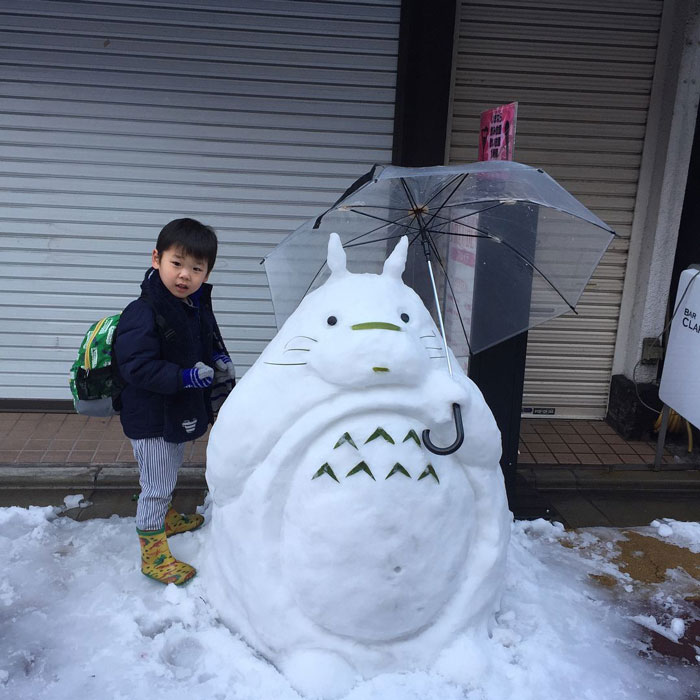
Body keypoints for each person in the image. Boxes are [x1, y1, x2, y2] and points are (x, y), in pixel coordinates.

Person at [114, 218, 235, 585]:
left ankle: (165, 518)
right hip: (151, 417)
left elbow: (195, 345)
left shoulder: (191, 306)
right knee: (156, 484)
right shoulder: (144, 311)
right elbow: (135, 366)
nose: (185, 275)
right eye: (177, 263)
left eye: (197, 268)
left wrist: (217, 358)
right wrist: (182, 377)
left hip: (175, 412)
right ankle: (153, 552)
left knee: (166, 470)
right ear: (156, 259)